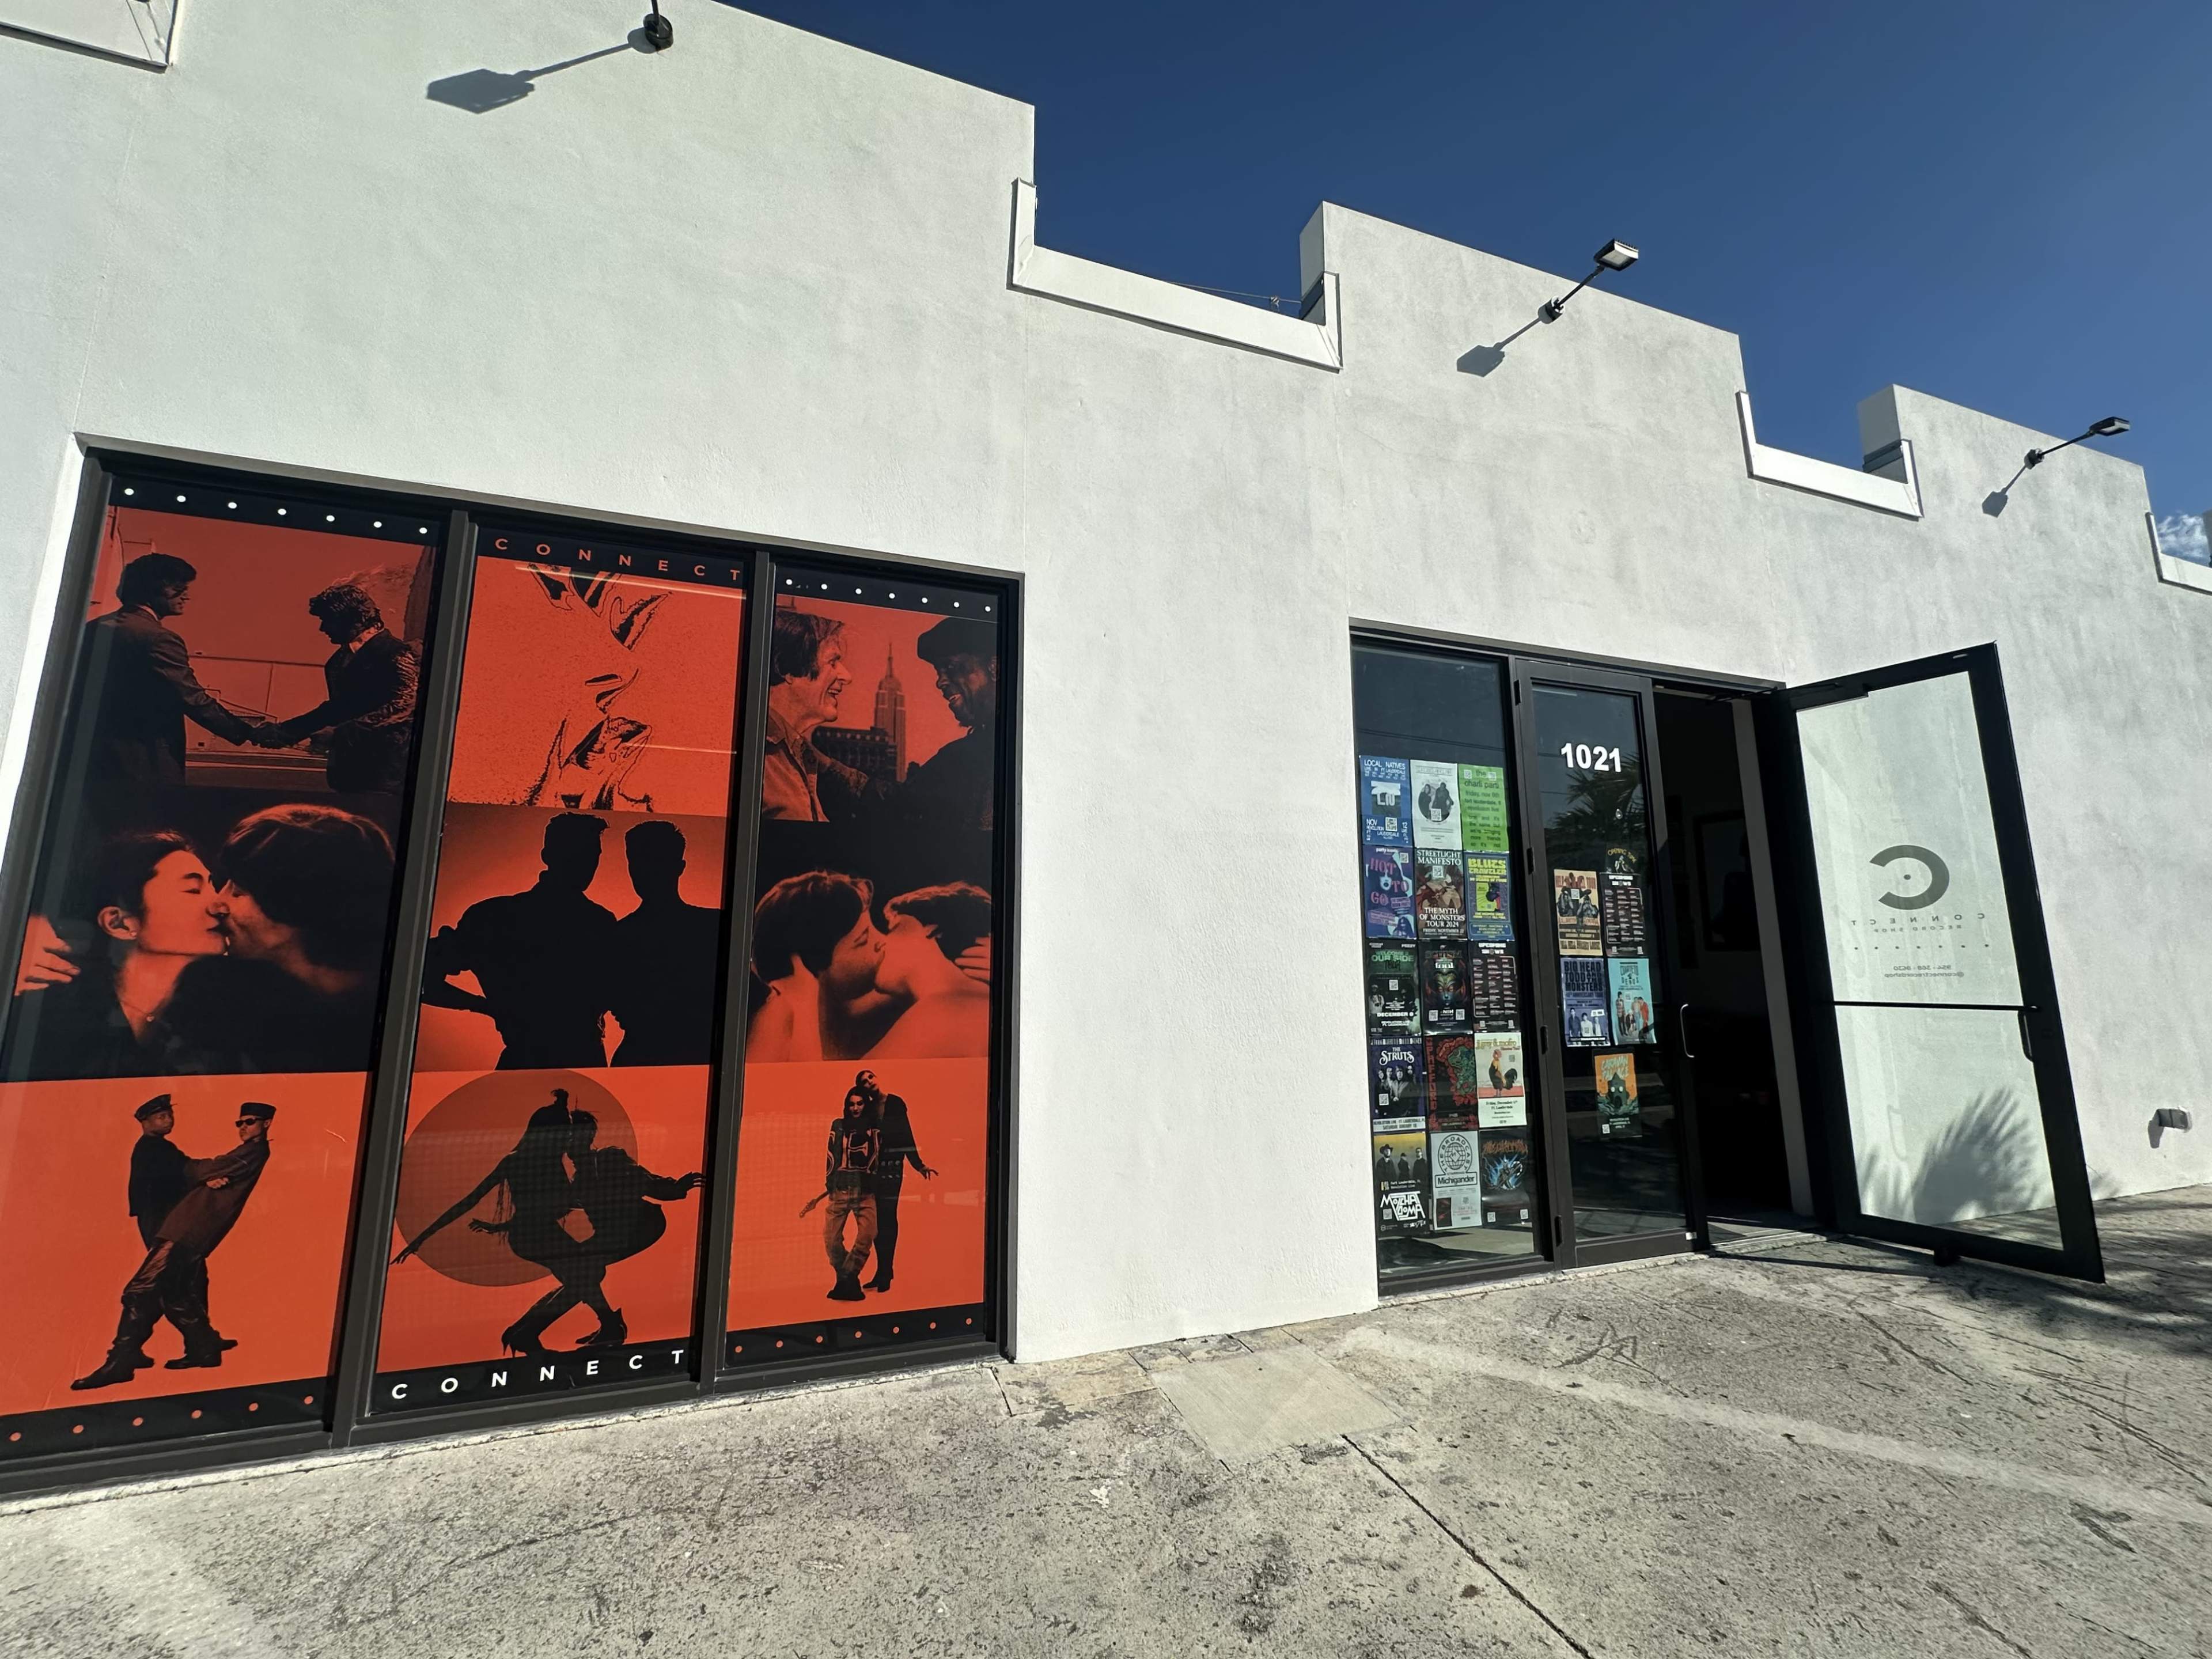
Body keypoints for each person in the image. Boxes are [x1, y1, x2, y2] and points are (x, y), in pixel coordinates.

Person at [73, 1100, 274, 1388]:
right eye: (240, 1122)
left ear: (266, 1124)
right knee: (176, 1291)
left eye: (251, 1121)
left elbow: (202, 1169)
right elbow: (198, 1173)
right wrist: (205, 1179)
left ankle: (121, 1362)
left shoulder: (251, 1153)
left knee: (140, 1290)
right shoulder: (239, 1153)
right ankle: (203, 1348)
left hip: (188, 1229)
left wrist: (203, 1176)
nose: (243, 1127)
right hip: (182, 1226)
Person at [2, 831, 229, 1080]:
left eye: (213, 887)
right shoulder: (45, 1023)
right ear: (119, 923)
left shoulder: (212, 1021)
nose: (220, 905)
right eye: (193, 890)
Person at [422, 813, 619, 1068]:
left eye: (594, 855)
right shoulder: (495, 918)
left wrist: (487, 1007)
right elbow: (417, 976)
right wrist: (486, 1007)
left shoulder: (493, 916)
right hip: (556, 1061)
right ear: (548, 856)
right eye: (578, 853)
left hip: (562, 1062)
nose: (588, 864)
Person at [65, 552, 270, 794]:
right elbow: (191, 698)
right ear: (154, 589)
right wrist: (248, 732)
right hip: (143, 762)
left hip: (90, 756)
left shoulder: (93, 628)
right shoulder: (159, 639)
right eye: (179, 588)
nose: (187, 595)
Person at [254, 582, 419, 794]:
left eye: (327, 620)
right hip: (347, 772)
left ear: (353, 619)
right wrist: (285, 732)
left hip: (388, 774)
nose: (322, 628)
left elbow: (405, 704)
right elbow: (336, 709)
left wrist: (341, 734)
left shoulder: (397, 653)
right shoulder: (338, 660)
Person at [124, 1093, 235, 1358]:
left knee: (190, 1277)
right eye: (161, 1116)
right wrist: (208, 1177)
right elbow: (187, 1170)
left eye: (170, 1115)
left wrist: (204, 1181)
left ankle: (201, 1341)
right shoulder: (152, 1149)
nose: (169, 1120)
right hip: (162, 1222)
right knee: (170, 1281)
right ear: (145, 1122)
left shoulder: (162, 1148)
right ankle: (198, 1343)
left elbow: (181, 1174)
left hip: (172, 1219)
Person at [608, 820, 721, 1065]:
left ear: (679, 867)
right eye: (636, 862)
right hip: (676, 1055)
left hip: (651, 1055)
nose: (642, 871)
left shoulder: (620, 933)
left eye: (654, 861)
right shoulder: (713, 925)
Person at [867, 884, 991, 1059]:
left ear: (932, 929)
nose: (880, 943)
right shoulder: (983, 1004)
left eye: (893, 928)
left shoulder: (939, 1012)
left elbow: (840, 1083)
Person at [760, 609, 862, 821]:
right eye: (833, 662)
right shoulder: (758, 753)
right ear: (787, 669)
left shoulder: (798, 754)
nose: (847, 676)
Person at [850, 1070, 933, 1293]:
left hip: (892, 1169)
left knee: (888, 1218)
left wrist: (918, 1164)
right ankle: (883, 1270)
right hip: (872, 1172)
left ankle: (886, 1271)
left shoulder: (895, 1103)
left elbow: (906, 1134)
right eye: (864, 1082)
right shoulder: (866, 1109)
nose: (869, 1083)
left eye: (871, 1078)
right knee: (876, 1222)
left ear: (877, 1079)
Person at [798, 1084, 881, 1301]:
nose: (855, 1108)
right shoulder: (838, 1125)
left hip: (865, 1192)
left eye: (860, 1103)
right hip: (840, 1190)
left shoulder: (875, 1126)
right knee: (831, 1239)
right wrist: (830, 1181)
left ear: (866, 1104)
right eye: (851, 1104)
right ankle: (849, 1281)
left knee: (867, 1235)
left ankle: (846, 1278)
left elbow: (877, 1155)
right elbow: (831, 1155)